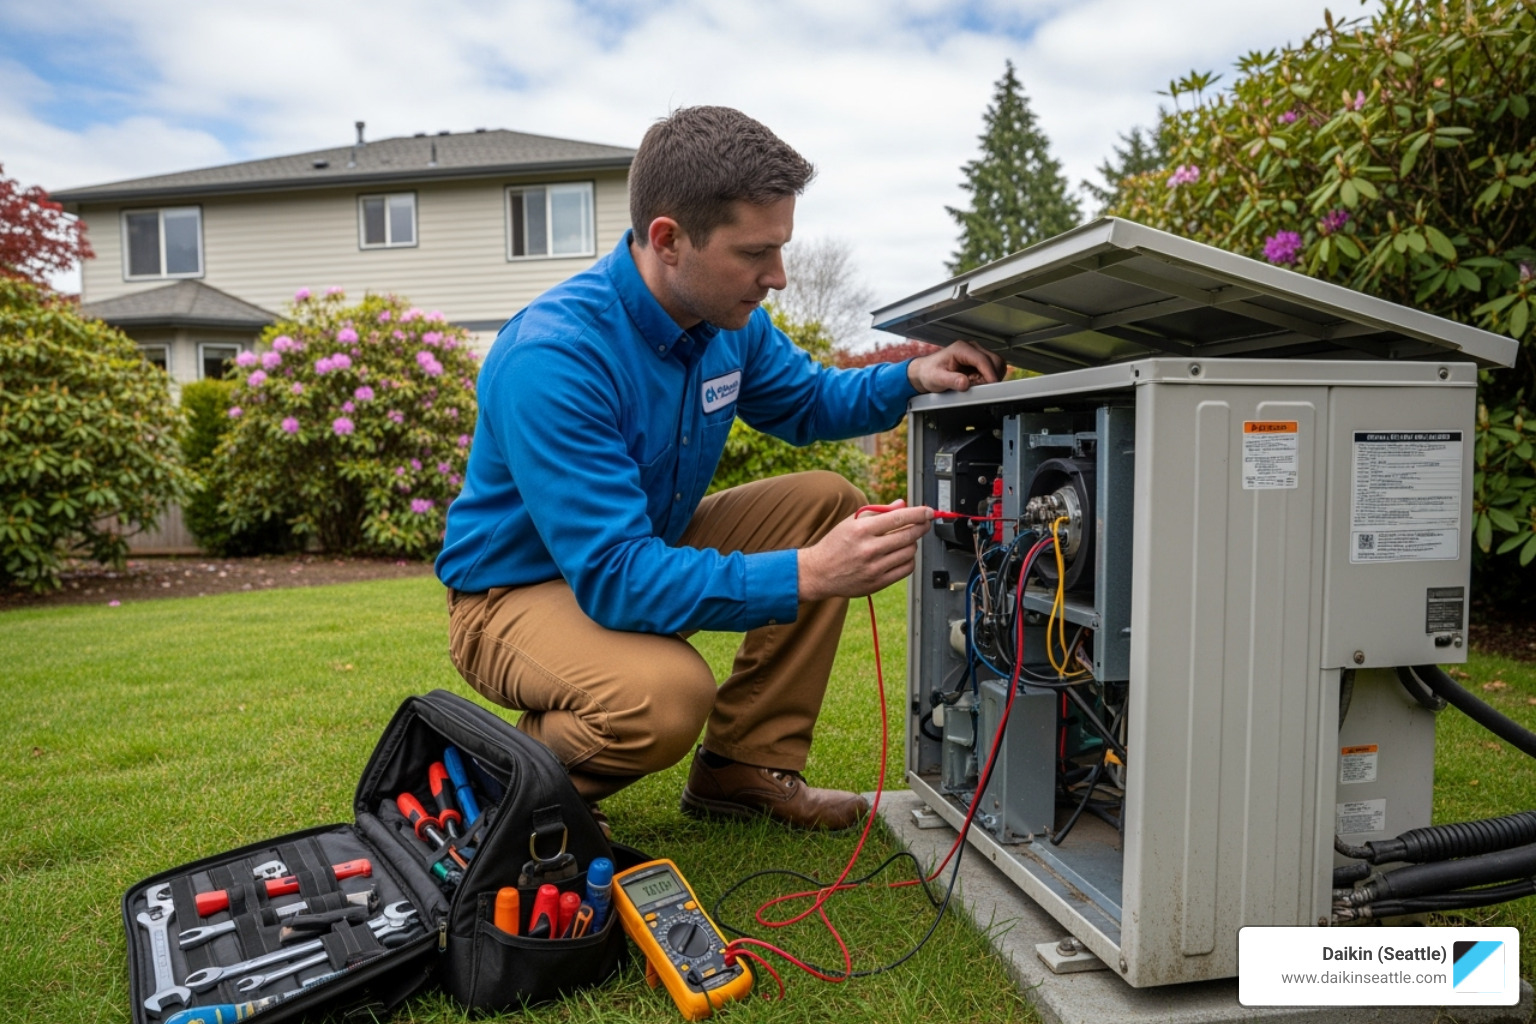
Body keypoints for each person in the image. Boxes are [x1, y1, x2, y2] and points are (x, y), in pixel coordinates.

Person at [436, 106, 1002, 831]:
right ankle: (502, 790)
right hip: (511, 592)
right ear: (670, 240)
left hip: (633, 545)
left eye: (782, 248)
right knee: (662, 697)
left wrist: (914, 374)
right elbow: (615, 576)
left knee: (827, 501)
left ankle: (741, 769)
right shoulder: (555, 357)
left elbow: (809, 400)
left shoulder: (726, 324)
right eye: (755, 252)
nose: (779, 276)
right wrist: (812, 574)